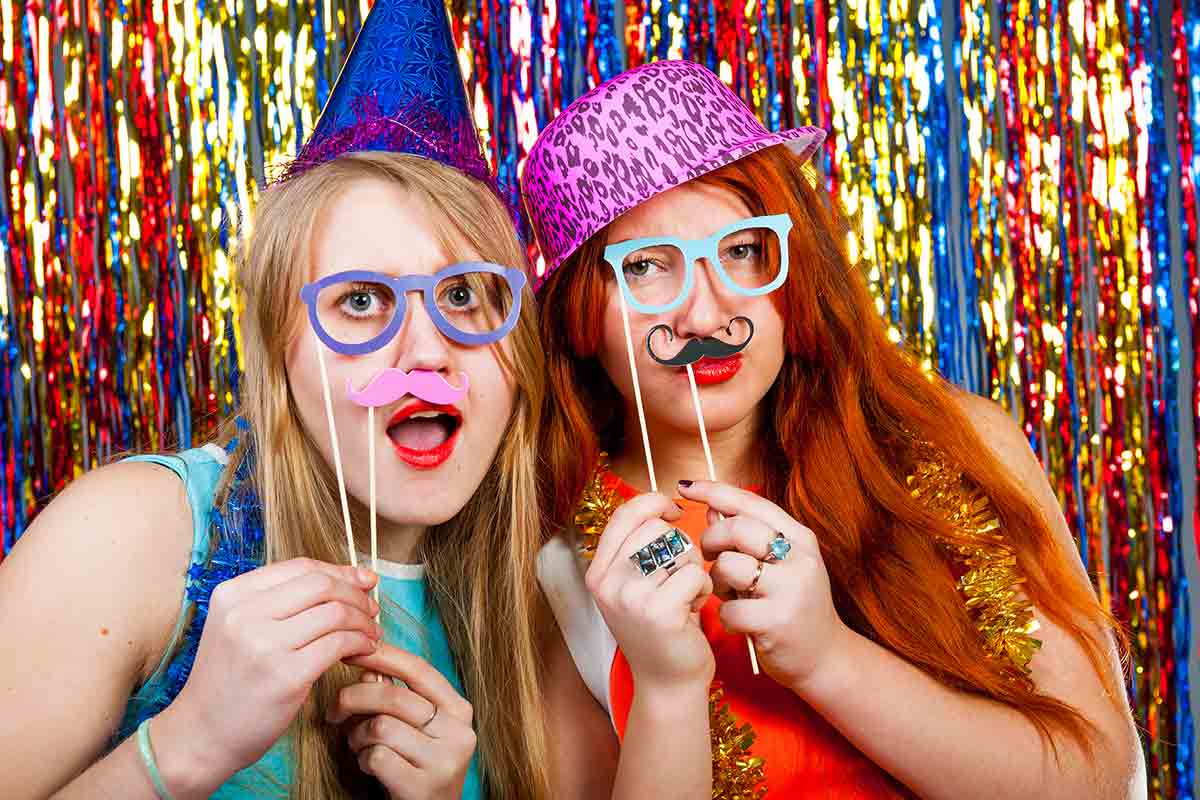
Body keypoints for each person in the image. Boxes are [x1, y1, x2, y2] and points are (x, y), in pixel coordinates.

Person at [525, 59, 1143, 799]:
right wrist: (668, 686)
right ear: (579, 315)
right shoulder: (548, 557)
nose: (705, 315)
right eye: (648, 267)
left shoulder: (956, 445)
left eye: (743, 250)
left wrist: (825, 657)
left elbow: (1095, 779)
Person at [0, 1, 550, 797]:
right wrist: (187, 745)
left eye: (465, 294)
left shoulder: (532, 592)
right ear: (278, 352)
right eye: (361, 301)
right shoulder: (133, 531)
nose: (428, 351)